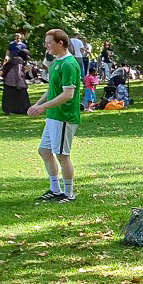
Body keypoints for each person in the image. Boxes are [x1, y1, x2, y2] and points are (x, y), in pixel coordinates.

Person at [28, 28, 82, 203]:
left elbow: (67, 94)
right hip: (53, 116)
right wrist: (37, 104)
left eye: (49, 42)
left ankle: (69, 193)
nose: (46, 46)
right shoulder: (57, 62)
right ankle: (55, 189)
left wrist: (43, 107)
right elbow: (52, 89)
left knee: (62, 155)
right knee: (44, 151)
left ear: (60, 43)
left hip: (64, 116)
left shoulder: (69, 64)